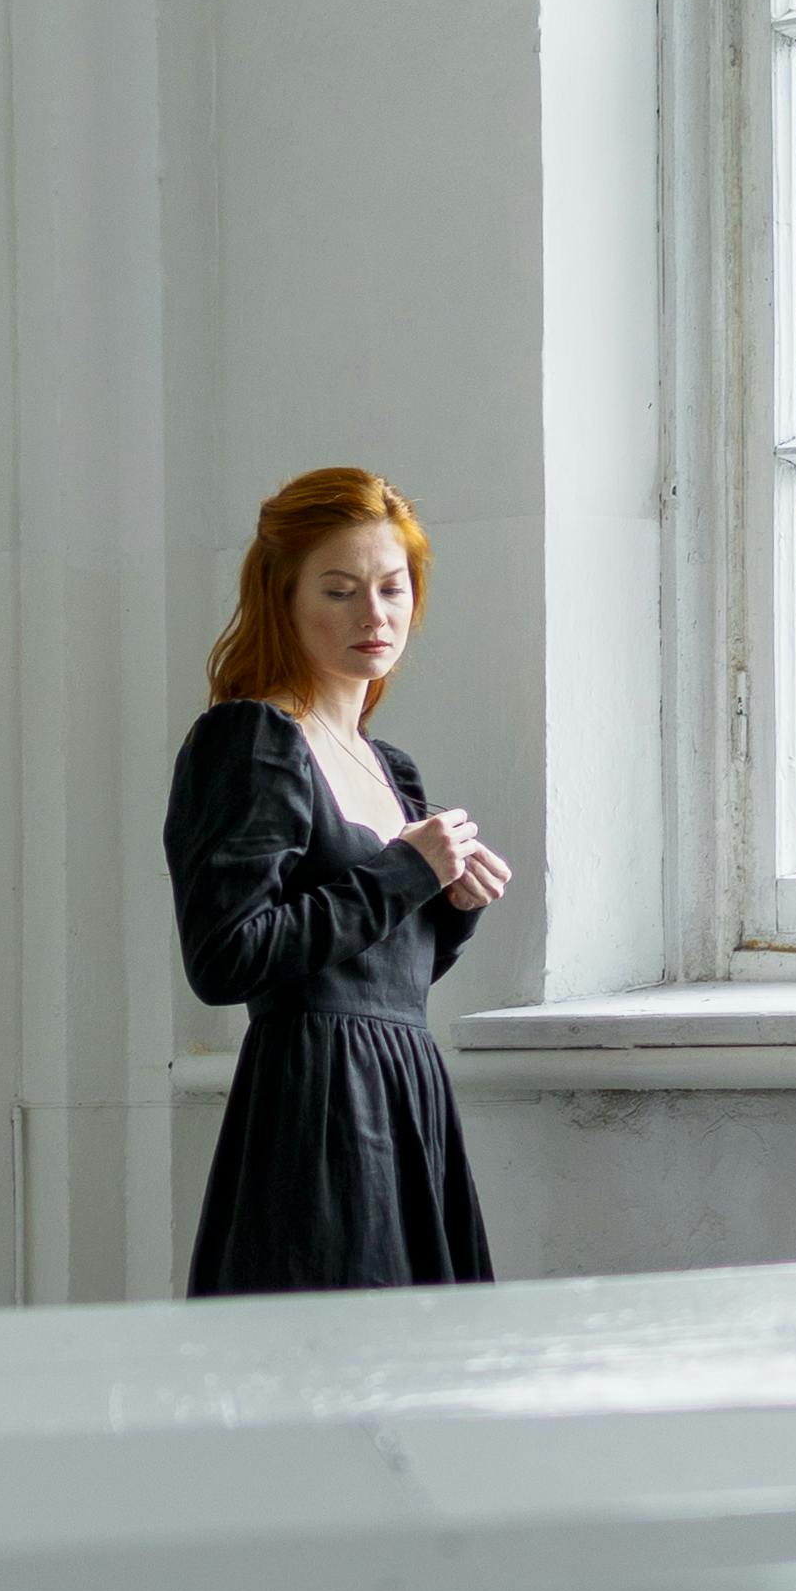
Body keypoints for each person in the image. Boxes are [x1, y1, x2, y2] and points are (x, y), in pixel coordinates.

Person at [165, 467, 508, 1295]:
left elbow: (385, 973)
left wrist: (452, 904)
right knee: (336, 1374)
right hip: (315, 1104)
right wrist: (402, 872)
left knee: (419, 1373)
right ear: (283, 599)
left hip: (404, 1087)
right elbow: (226, 956)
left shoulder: (390, 766)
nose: (374, 613)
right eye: (340, 589)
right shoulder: (249, 738)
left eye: (392, 587)